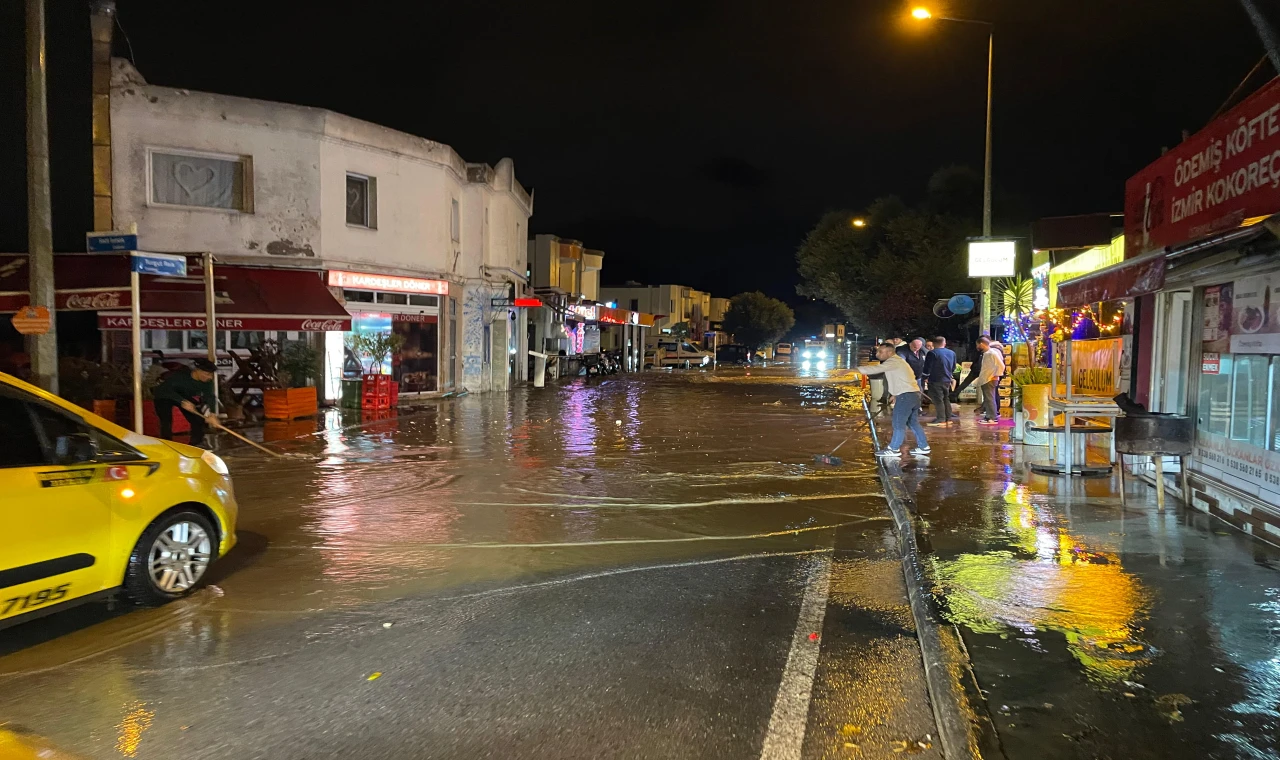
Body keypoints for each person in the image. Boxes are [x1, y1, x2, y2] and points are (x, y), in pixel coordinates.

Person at [857, 342, 929, 458]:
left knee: (898, 423)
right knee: (912, 422)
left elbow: (875, 369)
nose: (877, 354)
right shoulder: (898, 362)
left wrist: (853, 370)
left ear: (889, 352)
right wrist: (895, 394)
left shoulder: (893, 361)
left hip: (906, 396)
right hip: (913, 394)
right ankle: (924, 446)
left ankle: (894, 449)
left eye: (881, 351)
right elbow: (904, 378)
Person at [152, 358, 219, 447]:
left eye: (211, 375)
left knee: (198, 418)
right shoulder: (180, 377)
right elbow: (164, 390)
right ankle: (167, 445)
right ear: (197, 371)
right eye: (207, 374)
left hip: (184, 396)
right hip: (164, 396)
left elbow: (210, 396)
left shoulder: (207, 382)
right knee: (166, 421)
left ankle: (197, 443)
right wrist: (182, 401)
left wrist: (212, 414)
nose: (210, 377)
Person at [922, 336, 956, 425]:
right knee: (946, 398)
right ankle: (948, 417)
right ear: (944, 343)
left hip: (935, 379)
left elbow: (927, 368)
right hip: (947, 379)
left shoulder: (932, 353)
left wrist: (925, 377)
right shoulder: (952, 353)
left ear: (933, 344)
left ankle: (941, 418)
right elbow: (953, 367)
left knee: (938, 399)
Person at [975, 336, 1005, 425]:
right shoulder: (988, 353)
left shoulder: (992, 353)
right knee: (988, 399)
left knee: (990, 398)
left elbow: (1001, 366)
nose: (977, 347)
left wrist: (995, 376)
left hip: (990, 379)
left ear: (981, 344)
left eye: (977, 345)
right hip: (986, 379)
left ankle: (992, 417)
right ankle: (989, 416)